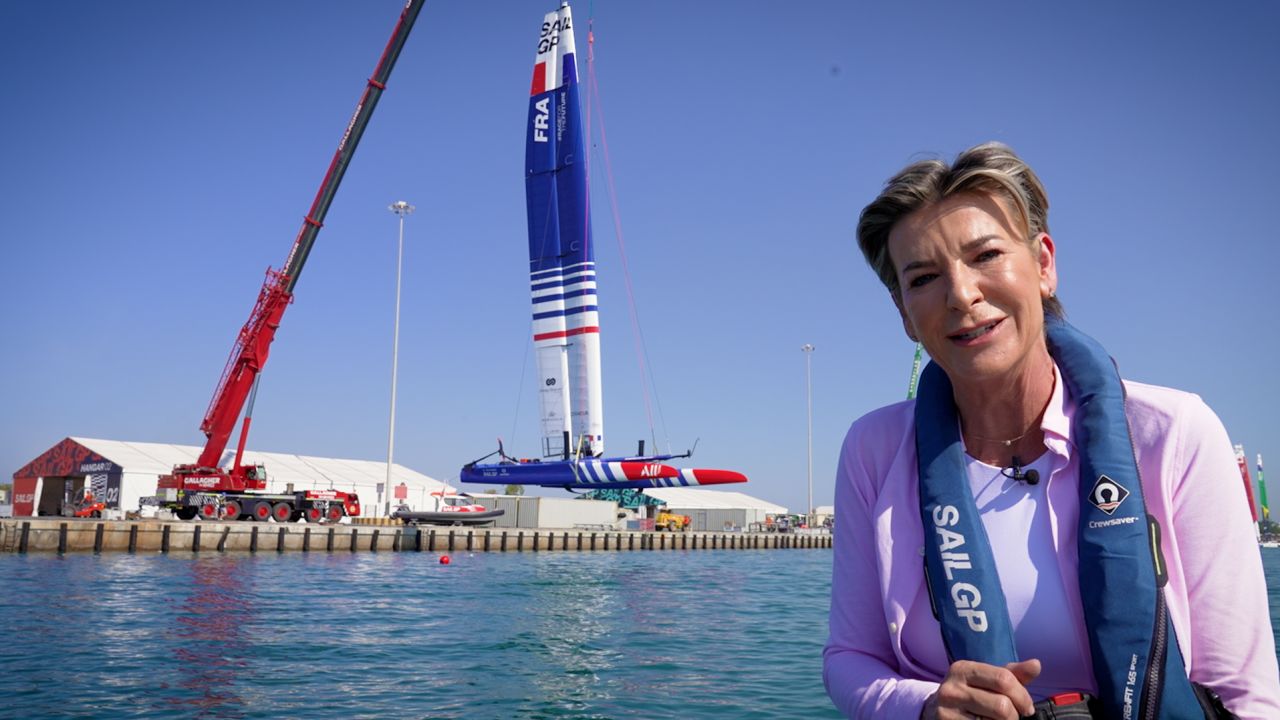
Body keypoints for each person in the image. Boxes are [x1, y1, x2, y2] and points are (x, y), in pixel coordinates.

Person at [823, 142, 1280, 719]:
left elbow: (1246, 694)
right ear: (904, 313)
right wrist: (923, 706)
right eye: (924, 278)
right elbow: (849, 658)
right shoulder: (874, 450)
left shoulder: (1174, 434)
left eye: (986, 255)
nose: (961, 295)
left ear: (1043, 264)